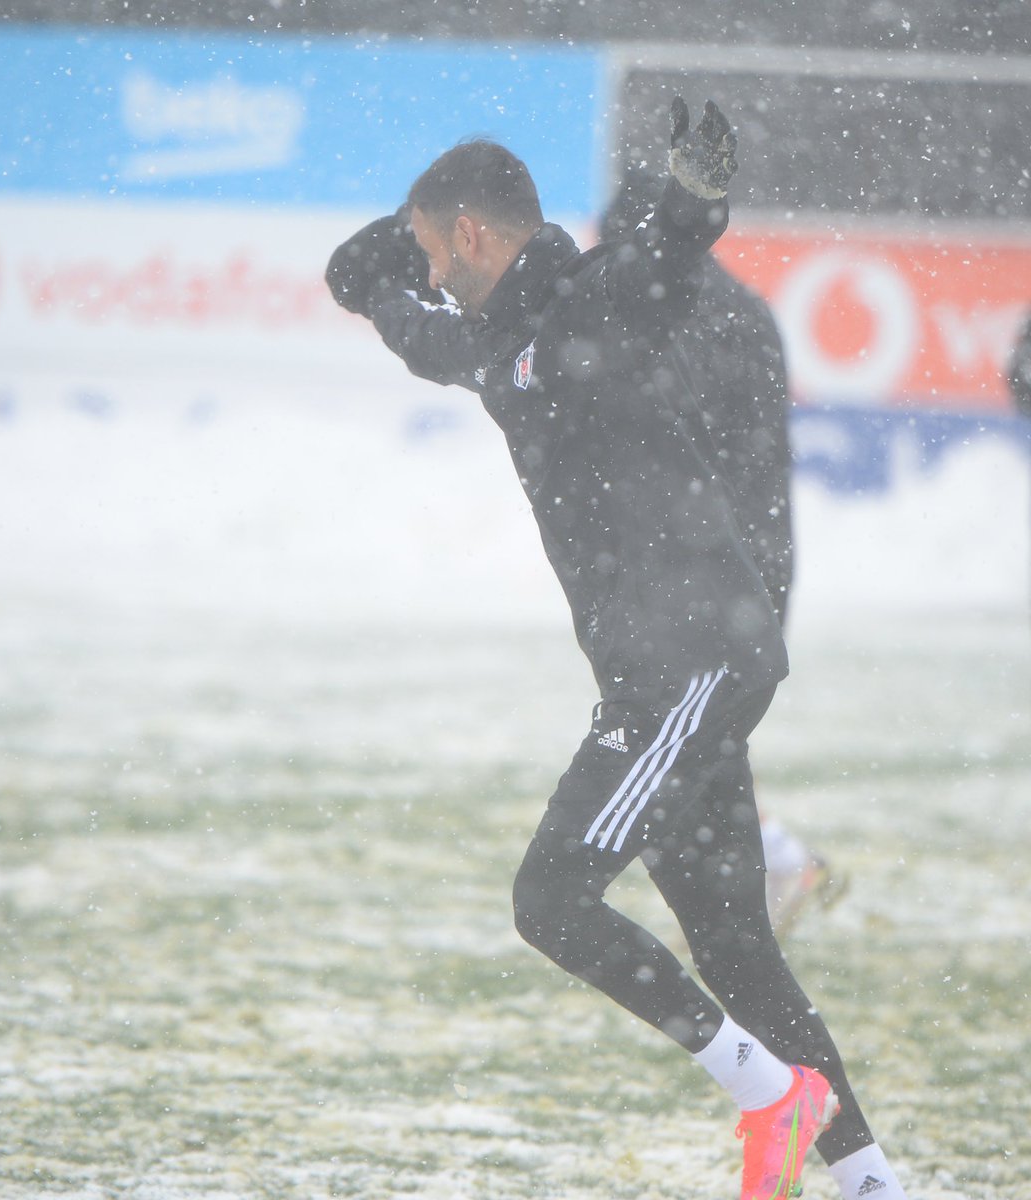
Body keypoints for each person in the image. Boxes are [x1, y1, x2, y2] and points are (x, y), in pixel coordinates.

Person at [325, 100, 909, 1200]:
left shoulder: (594, 303)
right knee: (738, 951)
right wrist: (394, 258)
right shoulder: (493, 339)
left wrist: (695, 201)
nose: (434, 281)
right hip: (675, 665)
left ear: (471, 234)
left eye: (439, 251)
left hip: (687, 662)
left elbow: (669, 255)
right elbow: (384, 300)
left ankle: (770, 1093)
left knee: (551, 899)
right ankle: (878, 1186)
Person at [601, 168, 845, 935]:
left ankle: (769, 867)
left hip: (711, 563)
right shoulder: (745, 307)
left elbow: (666, 449)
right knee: (707, 735)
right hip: (757, 554)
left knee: (683, 739)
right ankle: (764, 872)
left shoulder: (676, 317)